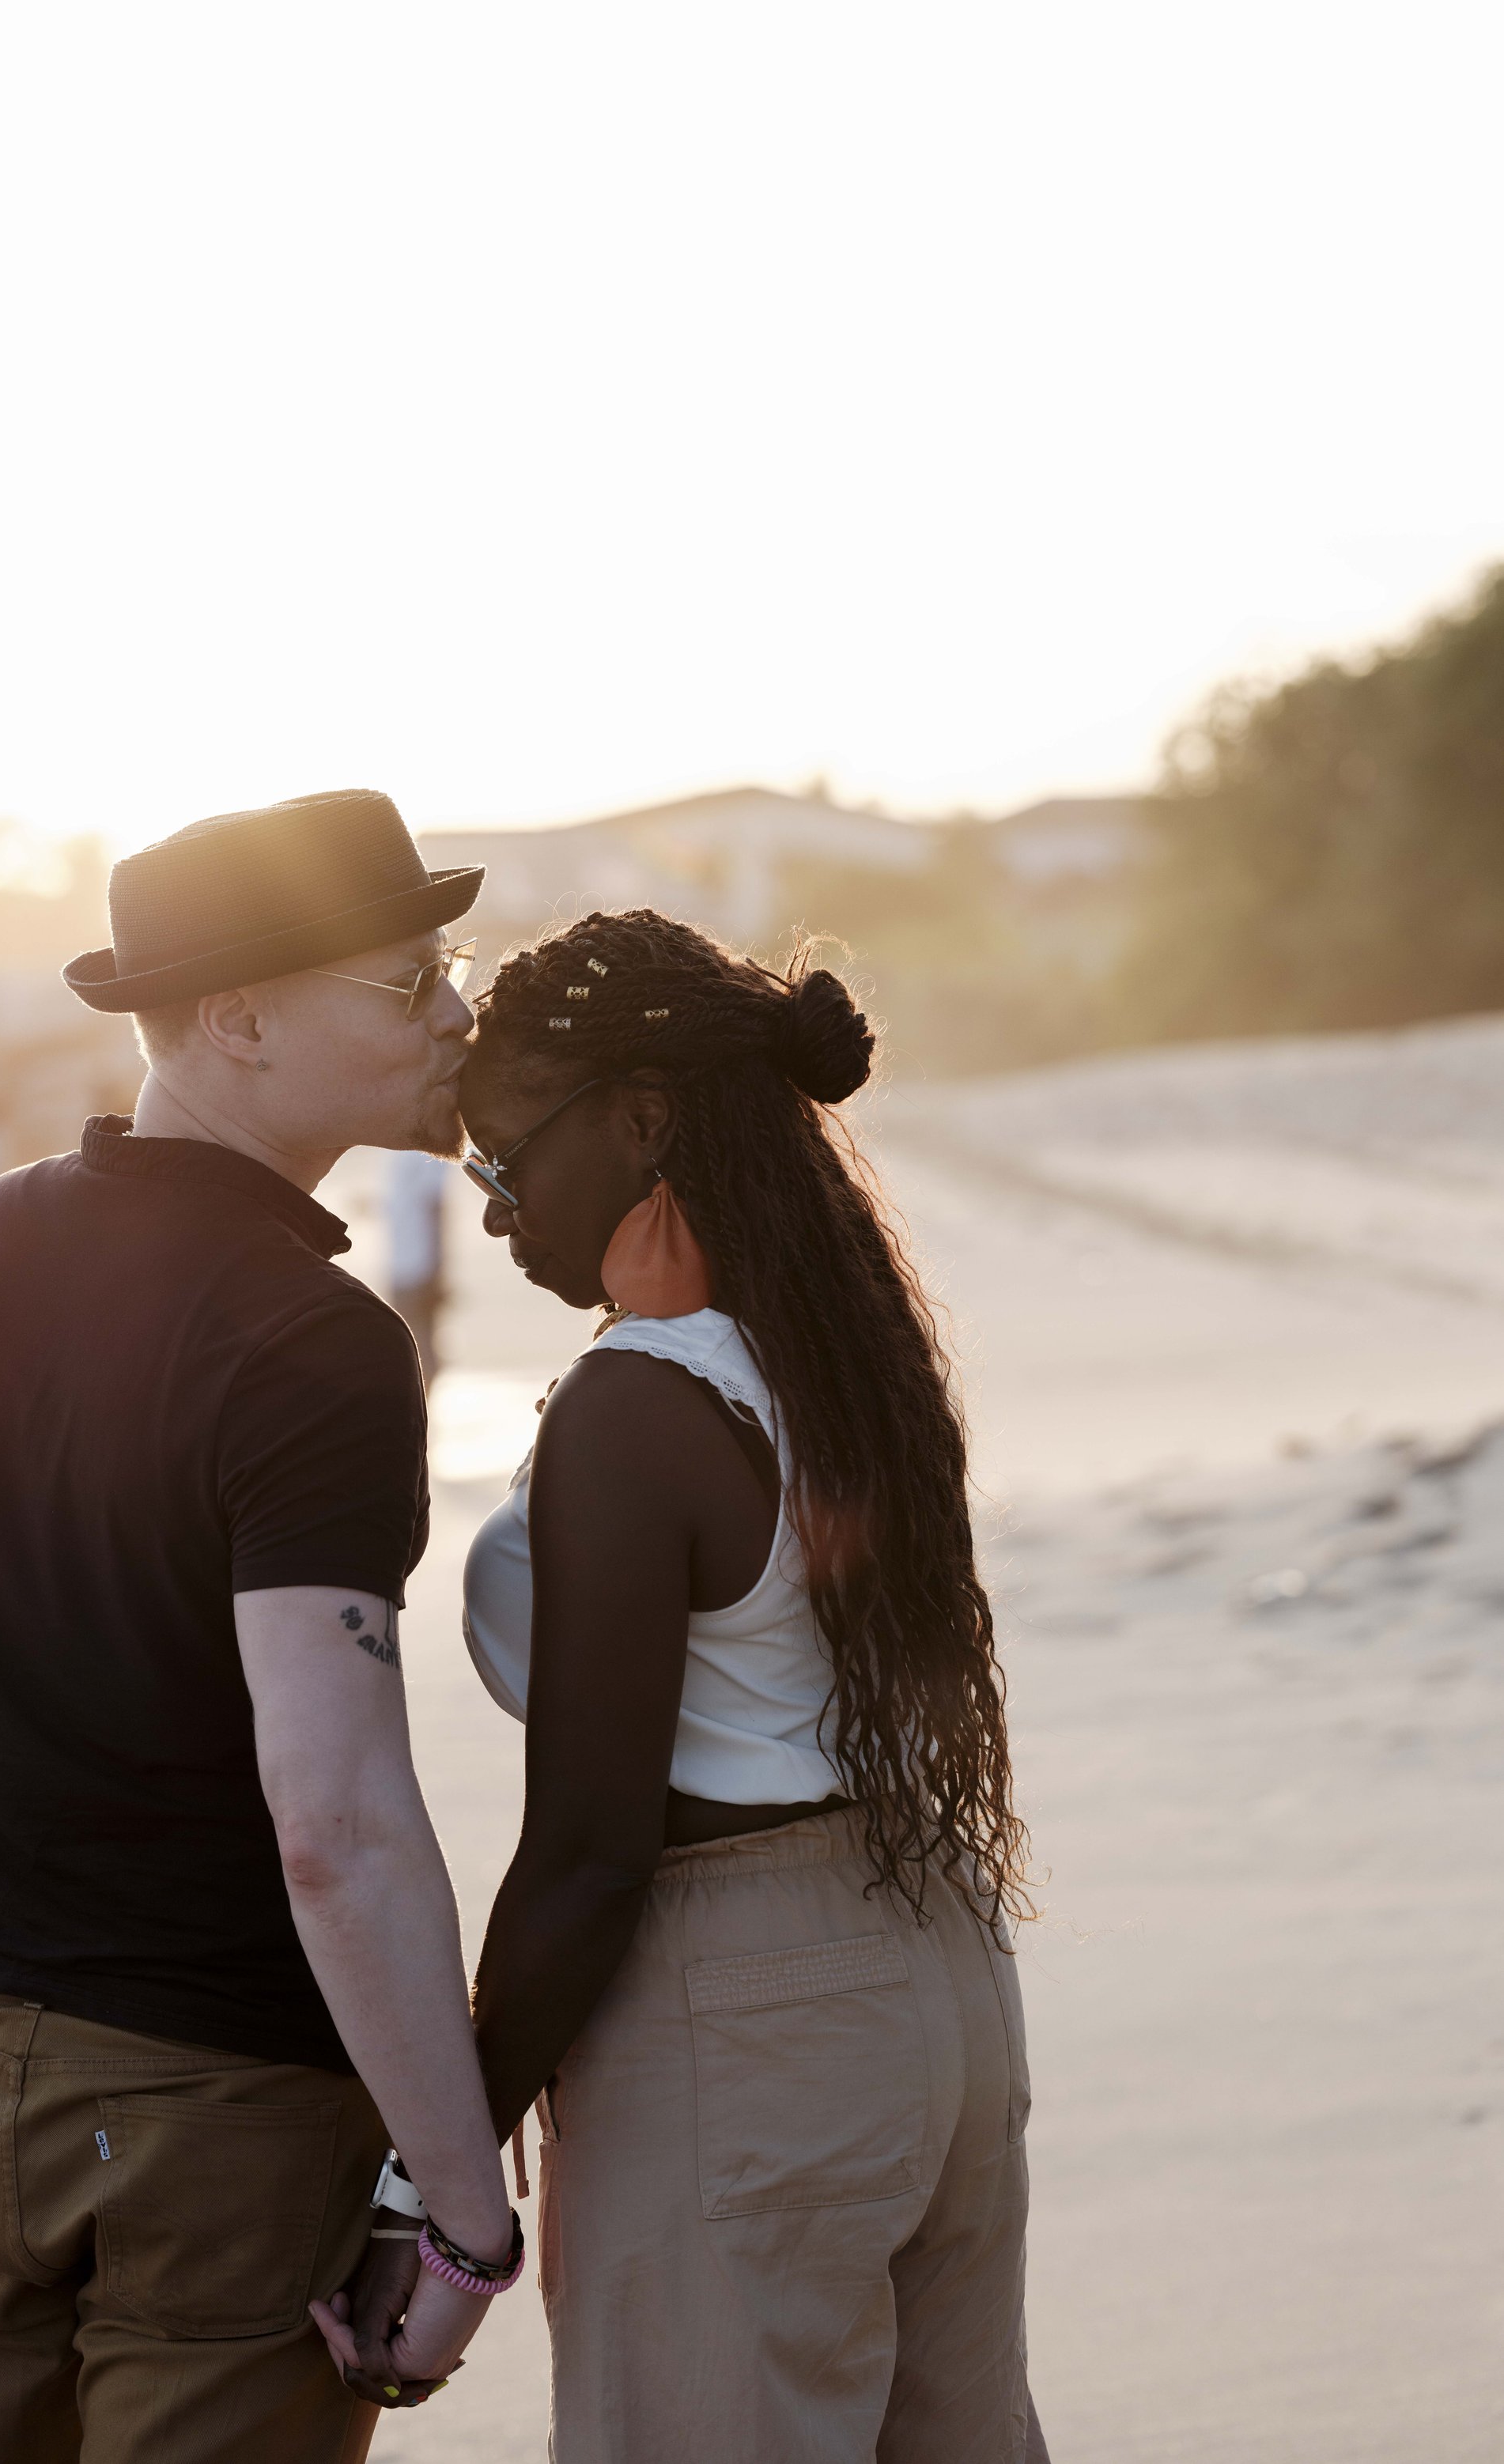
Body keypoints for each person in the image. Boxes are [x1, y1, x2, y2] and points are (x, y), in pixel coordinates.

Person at [0, 789, 520, 2464]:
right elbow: (334, 1823)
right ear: (238, 1018)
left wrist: (25, 1940)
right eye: (410, 979)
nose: (457, 1009)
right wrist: (462, 2215)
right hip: (221, 2104)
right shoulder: (313, 1340)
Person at [456, 908, 1046, 2464]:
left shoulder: (637, 1408)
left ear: (642, 1119)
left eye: (504, 1158)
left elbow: (589, 1849)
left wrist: (435, 2159)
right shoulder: (839, 1351)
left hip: (744, 2005)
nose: (493, 1211)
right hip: (935, 1964)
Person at [384, 1149, 450, 1378]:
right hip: (411, 1265)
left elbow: (434, 1210)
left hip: (411, 1266)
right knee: (417, 1345)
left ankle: (424, 1400)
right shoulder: (418, 1155)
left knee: (415, 1346)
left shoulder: (414, 1155)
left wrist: (438, 1268)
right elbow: (431, 1209)